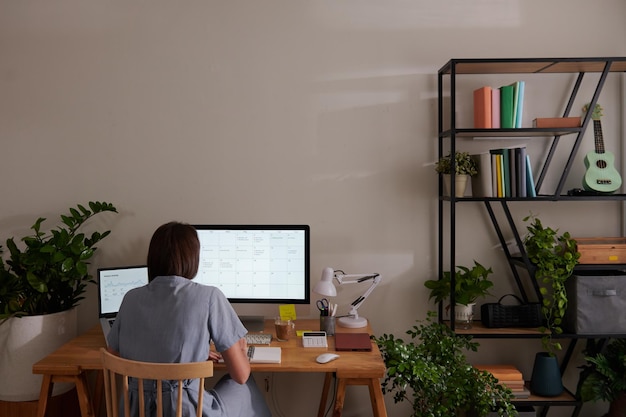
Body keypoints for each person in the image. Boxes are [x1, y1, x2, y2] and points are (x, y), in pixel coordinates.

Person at [107, 221, 271, 417]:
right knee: (246, 385)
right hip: (184, 411)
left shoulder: (130, 298)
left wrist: (189, 355)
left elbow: (114, 353)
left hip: (135, 410)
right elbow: (241, 375)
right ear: (193, 259)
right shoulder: (209, 297)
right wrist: (242, 352)